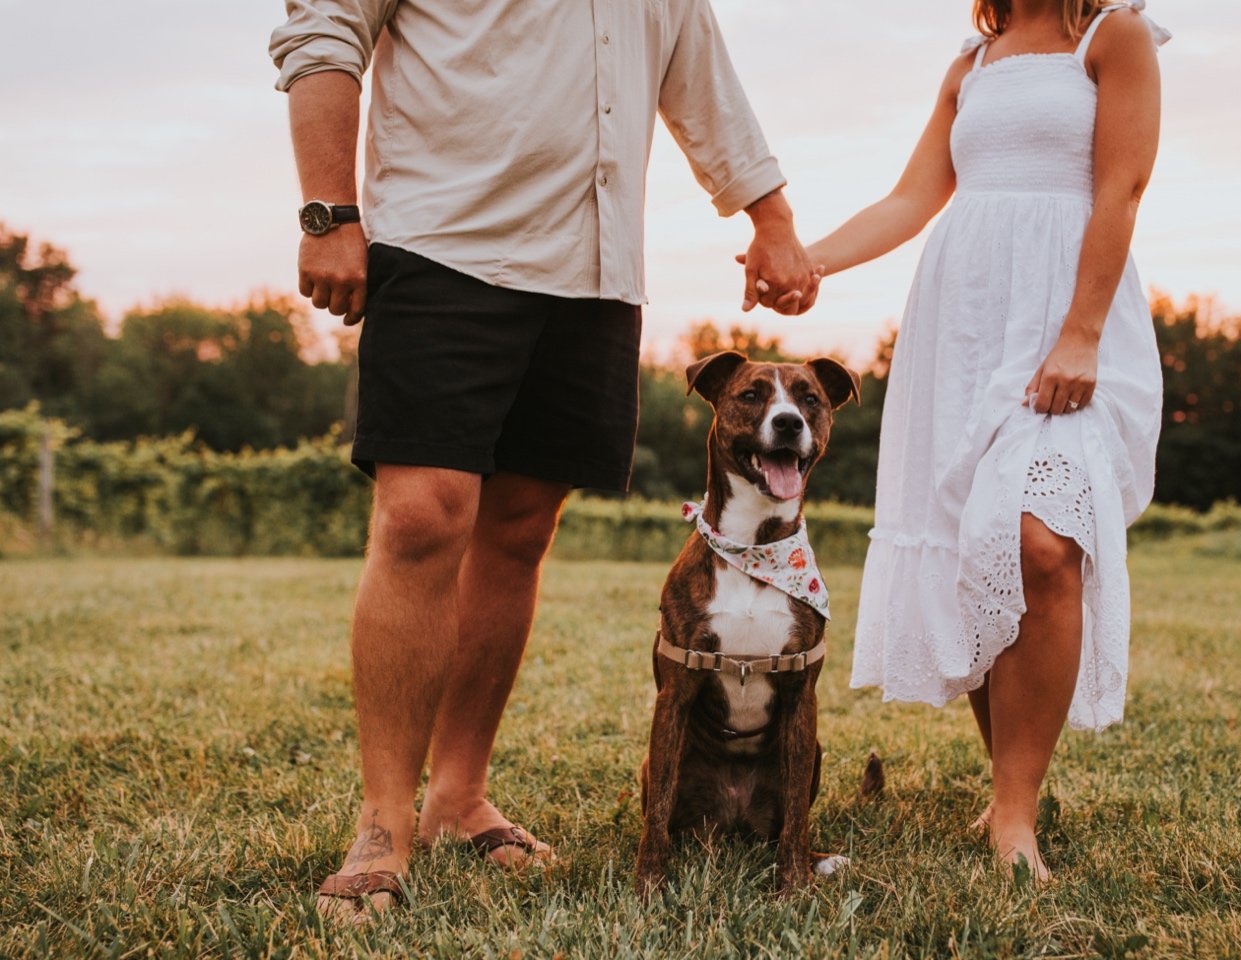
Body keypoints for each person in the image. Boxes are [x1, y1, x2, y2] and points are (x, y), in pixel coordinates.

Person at [268, 0, 821, 919]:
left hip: (593, 267)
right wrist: (330, 212)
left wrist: (772, 217)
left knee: (520, 530)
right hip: (443, 243)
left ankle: (458, 796)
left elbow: (700, 74)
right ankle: (381, 824)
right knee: (420, 518)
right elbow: (324, 29)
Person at [805, 0, 1168, 879]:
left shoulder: (1111, 36)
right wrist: (808, 261)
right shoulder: (973, 61)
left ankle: (1016, 815)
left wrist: (1080, 331)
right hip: (964, 328)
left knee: (1041, 545)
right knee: (978, 551)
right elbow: (909, 200)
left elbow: (1121, 187)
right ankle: (1005, 796)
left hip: (1065, 317)